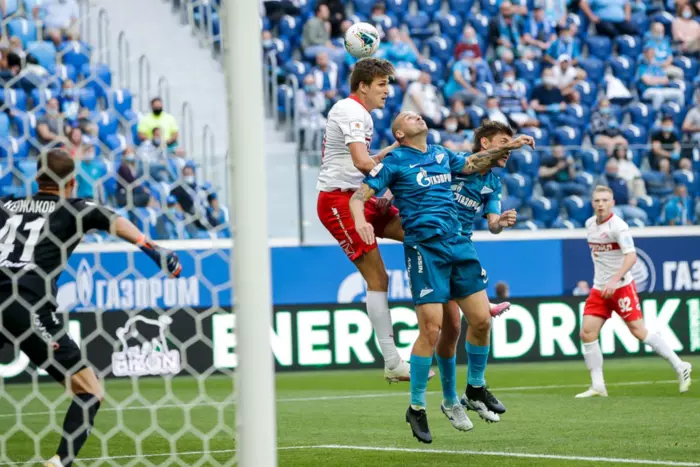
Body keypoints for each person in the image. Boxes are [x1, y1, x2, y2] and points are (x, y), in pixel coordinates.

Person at [350, 110, 534, 442]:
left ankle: (474, 388)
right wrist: (361, 221)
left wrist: (510, 147)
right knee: (433, 329)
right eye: (409, 117)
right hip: (425, 249)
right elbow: (357, 196)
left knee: (481, 321)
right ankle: (417, 407)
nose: (417, 117)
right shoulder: (394, 162)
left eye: (418, 115)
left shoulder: (440, 154)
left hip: (458, 244)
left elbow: (473, 163)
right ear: (399, 134)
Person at [0, 149, 181, 467]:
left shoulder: (7, 205)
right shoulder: (74, 207)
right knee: (89, 391)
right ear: (71, 182)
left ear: (37, 177)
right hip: (26, 307)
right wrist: (153, 250)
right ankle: (59, 462)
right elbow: (111, 219)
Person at [316, 58, 414, 382]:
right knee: (379, 278)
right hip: (339, 202)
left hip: (361, 195)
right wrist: (396, 176)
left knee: (420, 230)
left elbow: (363, 160)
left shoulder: (361, 115)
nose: (387, 91)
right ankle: (392, 361)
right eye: (382, 84)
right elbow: (361, 162)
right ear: (363, 86)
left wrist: (389, 153)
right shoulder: (351, 110)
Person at [576, 185, 691, 399]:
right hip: (599, 288)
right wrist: (605, 281)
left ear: (612, 203)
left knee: (638, 331)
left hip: (621, 287)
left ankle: (679, 365)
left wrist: (614, 279)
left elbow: (631, 257)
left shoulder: (619, 227)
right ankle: (598, 385)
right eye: (597, 200)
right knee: (587, 333)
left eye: (605, 200)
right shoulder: (589, 224)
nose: (601, 204)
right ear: (592, 203)